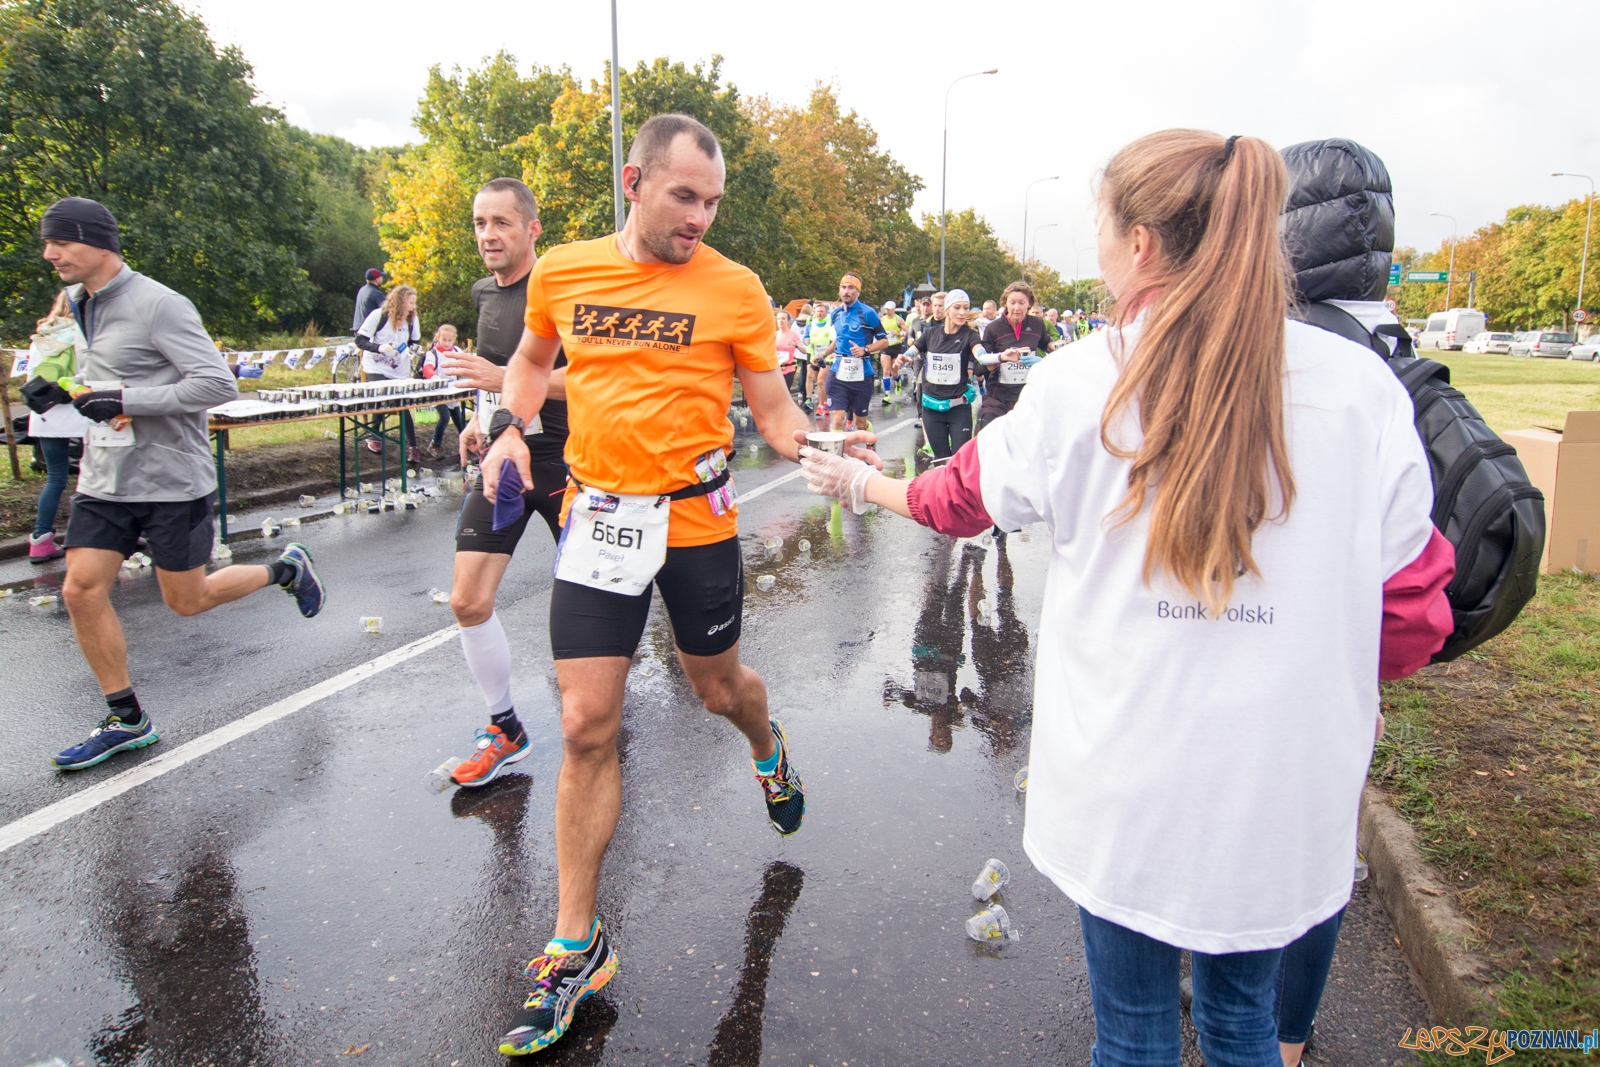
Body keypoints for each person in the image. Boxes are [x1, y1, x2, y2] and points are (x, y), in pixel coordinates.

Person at [797, 130, 1454, 1067]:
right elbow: (1416, 612)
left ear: (1140, 243)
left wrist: (860, 484)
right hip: (1282, 785)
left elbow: (959, 499)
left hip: (1126, 781)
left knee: (1135, 1032)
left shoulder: (1078, 383)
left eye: (1099, 228)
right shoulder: (1362, 392)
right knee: (1242, 1025)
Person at [479, 114, 814, 1057]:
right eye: (684, 196)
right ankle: (576, 945)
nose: (700, 217)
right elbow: (535, 359)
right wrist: (511, 420)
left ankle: (765, 741)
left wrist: (814, 442)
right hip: (598, 518)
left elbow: (774, 407)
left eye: (711, 201)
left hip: (697, 519)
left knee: (718, 688)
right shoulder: (567, 271)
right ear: (635, 182)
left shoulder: (736, 289)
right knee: (586, 721)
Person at [38, 197, 325, 771]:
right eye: (47, 243)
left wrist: (125, 400)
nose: (49, 254)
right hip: (104, 478)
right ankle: (127, 719)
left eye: (60, 243)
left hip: (171, 479)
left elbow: (215, 384)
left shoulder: (159, 305)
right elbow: (85, 373)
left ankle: (284, 569)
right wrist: (53, 387)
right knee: (80, 589)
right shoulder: (74, 304)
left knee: (186, 600)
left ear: (97, 243)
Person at [435, 177, 573, 790]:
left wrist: (507, 379)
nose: (488, 235)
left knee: (590, 602)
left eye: (501, 223)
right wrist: (479, 416)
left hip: (576, 461)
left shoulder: (566, 288)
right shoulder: (483, 295)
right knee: (467, 599)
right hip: (506, 458)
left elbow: (600, 380)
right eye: (479, 224)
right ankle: (504, 728)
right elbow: (493, 378)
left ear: (532, 229)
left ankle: (600, 701)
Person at [20, 291, 89, 562]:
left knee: (56, 477)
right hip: (79, 412)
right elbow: (92, 373)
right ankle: (92, 537)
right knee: (94, 475)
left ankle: (41, 541)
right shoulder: (82, 336)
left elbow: (30, 378)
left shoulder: (41, 337)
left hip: (45, 414)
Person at [899, 288, 983, 459]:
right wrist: (904, 357)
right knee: (942, 459)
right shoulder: (930, 334)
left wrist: (996, 357)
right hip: (932, 408)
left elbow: (980, 353)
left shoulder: (970, 336)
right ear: (947, 310)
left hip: (958, 407)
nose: (962, 312)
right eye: (957, 307)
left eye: (966, 308)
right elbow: (913, 350)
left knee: (959, 460)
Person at [355, 284, 423, 461]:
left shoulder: (412, 319)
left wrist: (410, 351)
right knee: (382, 392)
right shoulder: (379, 316)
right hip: (376, 365)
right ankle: (374, 435)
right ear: (400, 302)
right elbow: (360, 340)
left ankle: (413, 446)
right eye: (410, 303)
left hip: (398, 367)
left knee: (402, 402)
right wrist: (378, 348)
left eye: (414, 303)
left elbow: (415, 341)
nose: (413, 307)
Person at [978, 280, 1052, 431]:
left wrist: (1047, 356)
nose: (1016, 308)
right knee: (988, 439)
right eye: (1012, 302)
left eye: (1022, 303)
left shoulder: (1038, 324)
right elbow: (980, 367)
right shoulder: (993, 328)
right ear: (1005, 303)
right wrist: (999, 359)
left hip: (1026, 396)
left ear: (1029, 304)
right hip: (997, 396)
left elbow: (1048, 345)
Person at [820, 272, 888, 432]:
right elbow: (838, 340)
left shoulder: (868, 313)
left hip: (862, 374)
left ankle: (870, 446)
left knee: (860, 423)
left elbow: (884, 341)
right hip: (838, 372)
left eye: (851, 287)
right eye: (843, 287)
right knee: (837, 418)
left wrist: (865, 349)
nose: (846, 291)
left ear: (858, 291)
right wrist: (822, 355)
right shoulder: (835, 314)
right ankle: (836, 455)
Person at [419, 323, 467, 459]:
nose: (446, 343)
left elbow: (467, 363)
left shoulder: (457, 351)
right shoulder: (432, 353)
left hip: (452, 392)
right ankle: (435, 444)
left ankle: (467, 446)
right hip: (437, 392)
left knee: (459, 420)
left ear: (454, 340)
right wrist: (434, 377)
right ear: (438, 338)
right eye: (444, 339)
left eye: (449, 340)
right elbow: (427, 368)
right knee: (445, 417)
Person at [802, 299, 834, 413]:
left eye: (822, 311)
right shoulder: (810, 324)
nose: (819, 313)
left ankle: (821, 406)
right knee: (819, 382)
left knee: (821, 381)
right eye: (817, 311)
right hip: (814, 355)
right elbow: (805, 337)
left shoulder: (831, 323)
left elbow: (835, 338)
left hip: (827, 355)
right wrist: (806, 341)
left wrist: (832, 351)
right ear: (814, 312)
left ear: (826, 313)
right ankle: (825, 403)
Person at [879, 300, 908, 395]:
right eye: (886, 309)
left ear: (893, 309)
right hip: (886, 346)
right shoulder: (882, 319)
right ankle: (887, 394)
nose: (887, 311)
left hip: (896, 347)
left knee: (894, 372)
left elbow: (907, 331)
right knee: (886, 370)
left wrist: (898, 333)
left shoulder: (898, 319)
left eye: (889, 310)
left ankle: (897, 381)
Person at [775, 309, 803, 395]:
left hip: (789, 369)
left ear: (788, 321)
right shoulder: (773, 335)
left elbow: (804, 350)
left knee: (784, 394)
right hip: (775, 369)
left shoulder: (793, 335)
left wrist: (795, 344)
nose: (780, 321)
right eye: (779, 319)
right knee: (775, 394)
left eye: (783, 318)